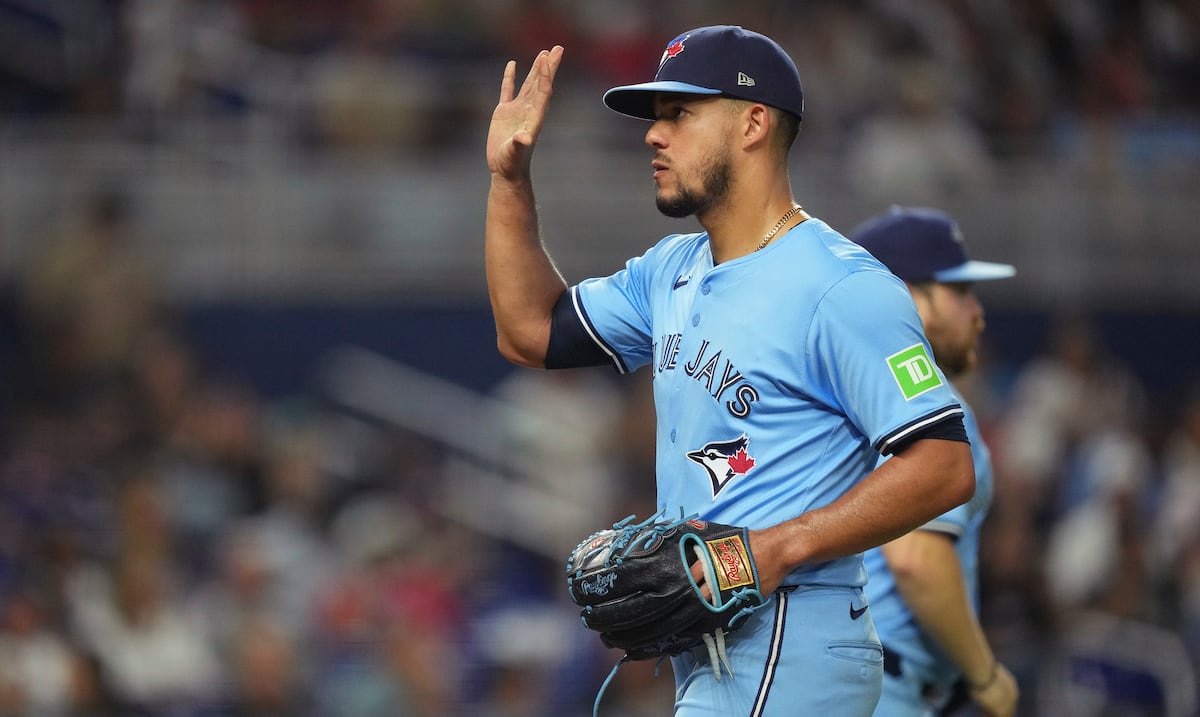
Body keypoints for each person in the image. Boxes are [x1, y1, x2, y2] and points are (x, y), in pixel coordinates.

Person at [485, 26, 975, 716]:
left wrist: (771, 550)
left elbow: (944, 464)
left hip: (791, 633)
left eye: (679, 113)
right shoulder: (671, 269)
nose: (655, 136)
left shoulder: (841, 287)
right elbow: (529, 330)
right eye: (655, 118)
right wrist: (509, 180)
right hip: (719, 647)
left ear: (753, 122)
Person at [850, 207, 1020, 717]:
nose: (977, 311)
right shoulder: (931, 411)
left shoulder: (842, 401)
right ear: (903, 295)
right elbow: (916, 559)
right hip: (886, 688)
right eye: (959, 291)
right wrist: (985, 675)